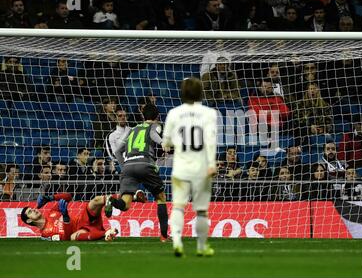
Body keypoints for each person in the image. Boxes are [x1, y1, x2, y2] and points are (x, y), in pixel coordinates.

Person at [162, 77, 217, 257]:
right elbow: (210, 141)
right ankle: (201, 246)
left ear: (182, 93)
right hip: (202, 169)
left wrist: (172, 142)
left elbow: (166, 142)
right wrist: (211, 164)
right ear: (200, 92)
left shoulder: (173, 113)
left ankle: (177, 242)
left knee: (178, 206)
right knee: (201, 210)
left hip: (181, 169)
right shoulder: (209, 113)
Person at [107, 103, 169, 242]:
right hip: (145, 164)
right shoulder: (155, 125)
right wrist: (162, 142)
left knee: (125, 204)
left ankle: (111, 200)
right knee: (160, 198)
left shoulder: (132, 129)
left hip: (128, 166)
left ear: (142, 115)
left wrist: (124, 167)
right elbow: (153, 133)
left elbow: (117, 151)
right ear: (157, 116)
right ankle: (164, 236)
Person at [20, 192, 118, 241]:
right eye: (30, 212)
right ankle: (106, 233)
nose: (33, 210)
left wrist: (50, 198)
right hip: (81, 231)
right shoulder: (45, 235)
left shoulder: (52, 212)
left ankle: (113, 201)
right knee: (73, 237)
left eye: (32, 209)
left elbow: (68, 196)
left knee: (95, 201)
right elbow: (65, 238)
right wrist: (65, 217)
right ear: (29, 221)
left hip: (83, 221)